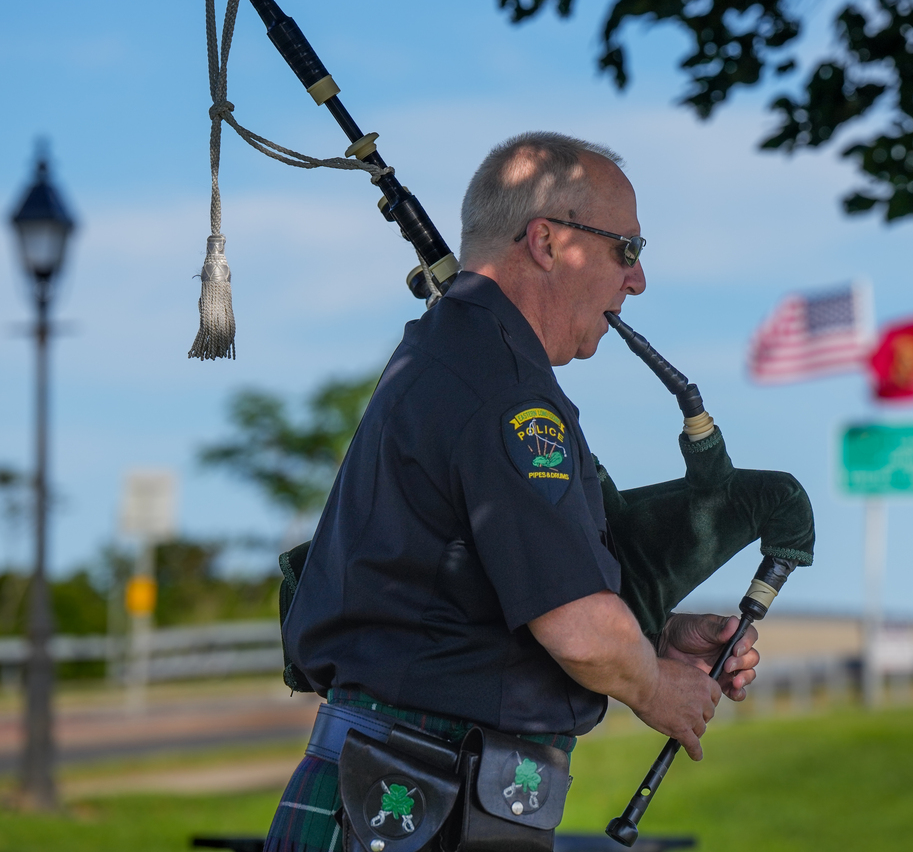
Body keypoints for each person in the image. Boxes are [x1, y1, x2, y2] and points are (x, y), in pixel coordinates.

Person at [265, 131, 760, 852]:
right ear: (548, 241)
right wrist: (656, 686)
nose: (638, 278)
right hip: (413, 806)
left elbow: (473, 601)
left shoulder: (455, 356)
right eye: (628, 248)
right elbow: (580, 631)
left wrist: (655, 635)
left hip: (416, 800)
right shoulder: (504, 392)